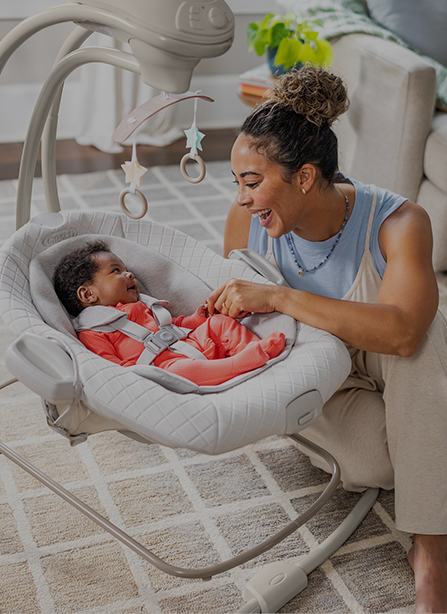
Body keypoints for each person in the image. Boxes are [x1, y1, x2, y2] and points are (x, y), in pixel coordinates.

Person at [211, 66, 447, 612]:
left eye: (252, 182)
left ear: (306, 176)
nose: (242, 199)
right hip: (321, 371)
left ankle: (432, 555)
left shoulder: (398, 221)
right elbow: (241, 325)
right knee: (386, 465)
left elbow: (405, 332)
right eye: (237, 184)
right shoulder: (245, 224)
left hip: (399, 360)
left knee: (425, 338)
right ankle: (432, 442)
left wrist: (281, 298)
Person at [54, 241, 286, 385]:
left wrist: (198, 319)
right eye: (116, 271)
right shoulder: (94, 331)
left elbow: (173, 325)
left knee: (220, 323)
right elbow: (110, 368)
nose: (130, 275)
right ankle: (240, 364)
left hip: (192, 345)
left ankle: (255, 349)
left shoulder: (143, 305)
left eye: (127, 270)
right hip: (162, 370)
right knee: (182, 371)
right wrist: (141, 377)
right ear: (87, 295)